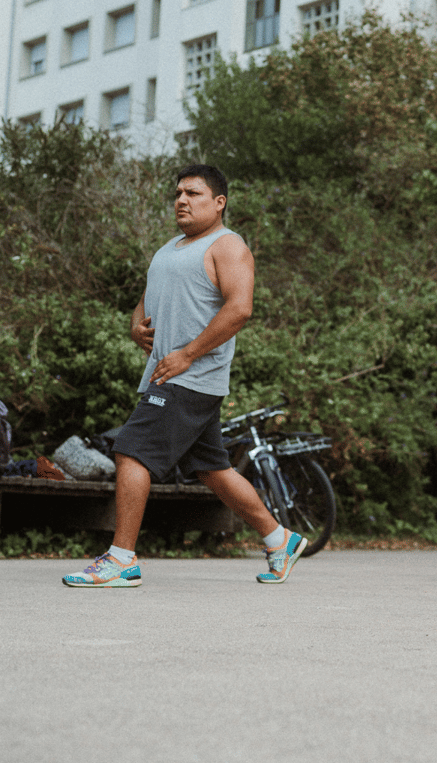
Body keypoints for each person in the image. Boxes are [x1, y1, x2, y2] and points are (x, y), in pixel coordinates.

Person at [62, 165, 309, 588]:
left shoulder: (227, 246)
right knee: (211, 468)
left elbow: (240, 308)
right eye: (178, 192)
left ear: (219, 202)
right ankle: (279, 539)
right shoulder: (169, 249)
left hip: (190, 376)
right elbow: (146, 301)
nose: (181, 200)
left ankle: (121, 559)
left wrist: (188, 355)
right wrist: (136, 326)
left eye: (193, 193)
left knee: (131, 451)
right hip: (168, 374)